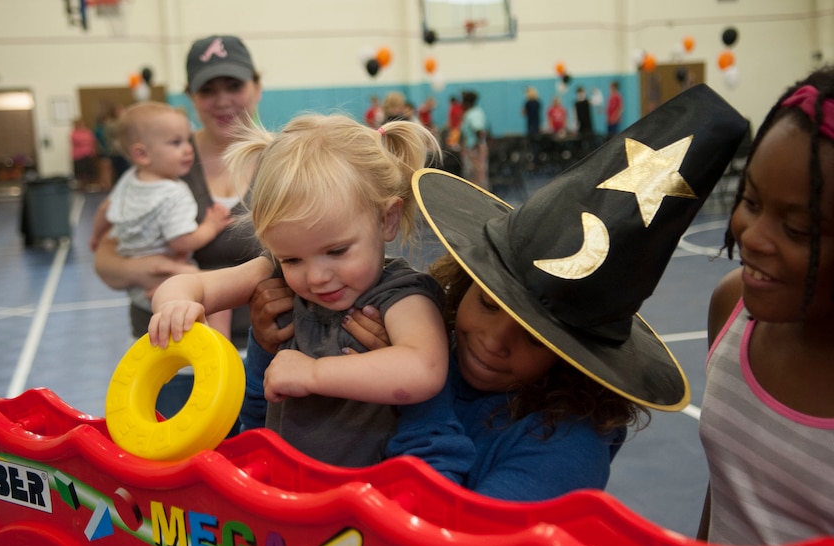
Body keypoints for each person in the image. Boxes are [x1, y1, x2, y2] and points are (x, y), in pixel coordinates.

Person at [246, 84, 749, 501]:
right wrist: (273, 344)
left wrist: (421, 397)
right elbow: (256, 434)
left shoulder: (566, 448)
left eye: (535, 336)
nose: (493, 340)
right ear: (468, 280)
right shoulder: (408, 335)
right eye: (488, 302)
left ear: (576, 353)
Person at [149, 113, 450, 468]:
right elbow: (192, 285)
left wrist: (313, 374)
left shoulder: (402, 295)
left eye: (337, 251)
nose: (316, 277)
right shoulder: (276, 272)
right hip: (287, 486)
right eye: (292, 259)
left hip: (370, 491)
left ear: (387, 219)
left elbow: (425, 368)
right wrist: (175, 304)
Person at [92, 35, 265, 415]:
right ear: (190, 96)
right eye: (208, 90)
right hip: (172, 354)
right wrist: (150, 269)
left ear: (257, 86)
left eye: (233, 85)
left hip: (263, 353)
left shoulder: (282, 162)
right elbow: (105, 257)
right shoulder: (164, 158)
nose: (222, 100)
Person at [697, 66, 834, 546]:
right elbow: (725, 491)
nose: (752, 237)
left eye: (796, 229)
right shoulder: (732, 306)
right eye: (751, 201)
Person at [102, 101, 233, 338]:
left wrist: (95, 236)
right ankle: (220, 347)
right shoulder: (174, 192)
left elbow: (106, 212)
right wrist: (211, 226)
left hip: (137, 289)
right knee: (219, 299)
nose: (188, 149)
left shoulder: (130, 180)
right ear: (141, 154)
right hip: (169, 279)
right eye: (176, 143)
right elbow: (181, 242)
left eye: (187, 140)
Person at [460, 90, 490, 190]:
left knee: (477, 175)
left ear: (467, 103)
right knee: (475, 175)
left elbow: (479, 131)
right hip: (474, 149)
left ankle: (479, 195)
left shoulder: (473, 114)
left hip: (475, 150)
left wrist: (476, 146)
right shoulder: (477, 112)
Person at [70, 118, 99, 191]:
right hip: (78, 156)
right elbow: (78, 141)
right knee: (81, 172)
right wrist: (86, 141)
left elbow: (93, 140)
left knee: (89, 171)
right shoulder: (74, 133)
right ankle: (81, 186)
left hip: (88, 154)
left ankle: (89, 185)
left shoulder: (88, 132)